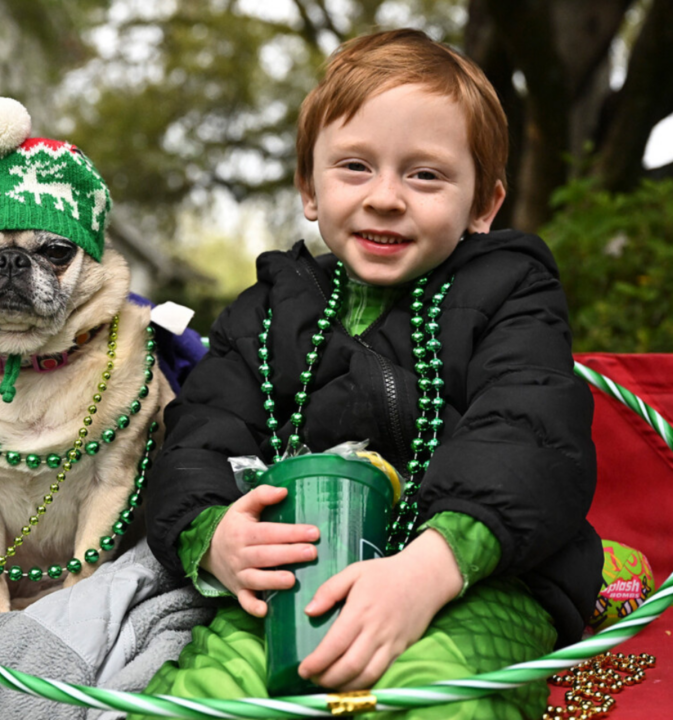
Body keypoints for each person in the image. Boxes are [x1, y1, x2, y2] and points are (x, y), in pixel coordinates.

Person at [137, 28, 602, 719]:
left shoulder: (514, 293)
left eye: (425, 175)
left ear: (483, 205)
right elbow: (197, 439)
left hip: (480, 577)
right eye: (355, 167)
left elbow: (529, 433)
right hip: (297, 580)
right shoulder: (264, 311)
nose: (386, 197)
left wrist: (429, 569)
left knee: (437, 693)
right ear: (309, 189)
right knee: (203, 698)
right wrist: (214, 536)